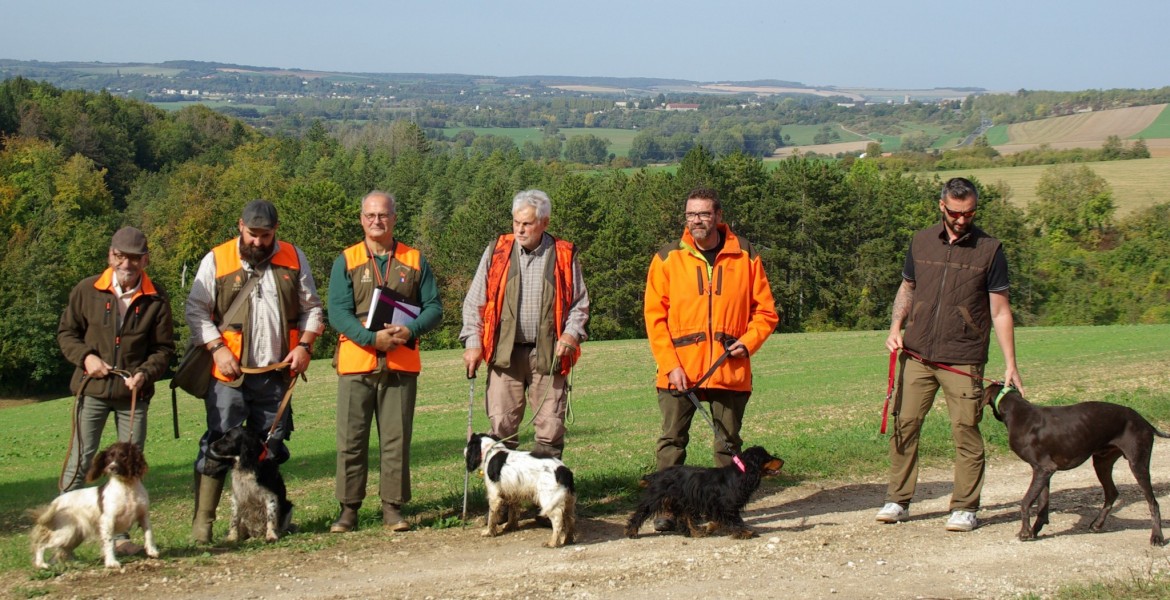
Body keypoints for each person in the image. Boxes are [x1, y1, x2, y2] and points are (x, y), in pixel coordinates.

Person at [876, 177, 1024, 533]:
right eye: (956, 213)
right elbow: (907, 288)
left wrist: (1011, 364)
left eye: (969, 212)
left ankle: (965, 507)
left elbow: (1001, 311)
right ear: (942, 206)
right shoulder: (921, 240)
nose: (962, 219)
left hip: (963, 356)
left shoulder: (990, 249)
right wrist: (896, 328)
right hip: (917, 352)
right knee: (904, 425)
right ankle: (898, 500)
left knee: (965, 429)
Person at [185, 199, 324, 543]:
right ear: (240, 226)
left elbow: (312, 308)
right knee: (219, 444)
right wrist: (217, 349)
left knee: (269, 448)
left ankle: (264, 523)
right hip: (228, 374)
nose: (258, 242)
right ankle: (203, 523)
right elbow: (195, 310)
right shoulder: (216, 259)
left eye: (265, 235)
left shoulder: (294, 257)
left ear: (276, 230)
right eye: (252, 234)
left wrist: (305, 347)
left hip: (276, 374)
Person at [643, 186, 779, 531]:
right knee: (672, 441)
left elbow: (765, 312)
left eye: (704, 214)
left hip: (729, 369)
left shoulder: (746, 255)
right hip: (680, 370)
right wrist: (670, 364)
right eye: (691, 214)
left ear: (719, 216)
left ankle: (723, 511)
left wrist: (748, 343)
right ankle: (667, 508)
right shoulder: (666, 258)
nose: (697, 221)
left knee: (728, 445)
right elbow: (654, 317)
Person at [327, 191, 443, 533]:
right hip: (356, 363)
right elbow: (337, 311)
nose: (376, 221)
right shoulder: (345, 261)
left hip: (400, 364)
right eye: (370, 216)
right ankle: (348, 510)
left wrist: (410, 330)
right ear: (362, 219)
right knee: (350, 440)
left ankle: (393, 508)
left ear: (394, 218)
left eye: (383, 215)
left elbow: (434, 307)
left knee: (396, 439)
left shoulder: (416, 259)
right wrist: (369, 338)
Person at [56, 226, 175, 554]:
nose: (126, 263)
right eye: (120, 256)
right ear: (110, 255)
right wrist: (86, 358)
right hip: (90, 389)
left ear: (145, 260)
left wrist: (145, 374)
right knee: (79, 461)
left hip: (133, 395)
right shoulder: (86, 290)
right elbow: (67, 334)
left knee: (130, 467)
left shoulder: (157, 296)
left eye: (134, 258)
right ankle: (62, 533)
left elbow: (164, 350)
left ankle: (121, 539)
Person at [461, 189, 589, 460]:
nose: (519, 229)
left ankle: (548, 496)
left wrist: (570, 335)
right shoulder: (497, 251)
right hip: (503, 355)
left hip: (549, 354)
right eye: (516, 222)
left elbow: (580, 303)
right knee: (501, 426)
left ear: (545, 222)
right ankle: (505, 498)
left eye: (527, 223)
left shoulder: (565, 254)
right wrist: (473, 343)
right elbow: (475, 302)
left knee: (550, 427)